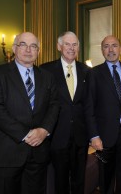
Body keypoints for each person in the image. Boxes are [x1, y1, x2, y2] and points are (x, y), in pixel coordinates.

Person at [0, 32, 59, 194]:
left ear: (38, 51)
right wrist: (26, 134)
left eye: (33, 46)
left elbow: (54, 106)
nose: (28, 50)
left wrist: (44, 130)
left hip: (38, 154)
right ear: (14, 48)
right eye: (23, 44)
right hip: (7, 153)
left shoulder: (47, 77)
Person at [40, 31, 90, 194]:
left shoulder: (87, 71)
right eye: (67, 44)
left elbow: (89, 105)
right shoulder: (45, 70)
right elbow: (42, 105)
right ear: (59, 46)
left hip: (81, 137)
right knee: (59, 180)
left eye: (75, 44)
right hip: (57, 135)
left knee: (79, 180)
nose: (71, 48)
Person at [87, 35, 121, 193]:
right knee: (106, 179)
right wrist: (94, 136)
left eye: (114, 45)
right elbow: (89, 107)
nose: (111, 50)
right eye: (106, 46)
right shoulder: (94, 73)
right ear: (102, 50)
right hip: (104, 137)